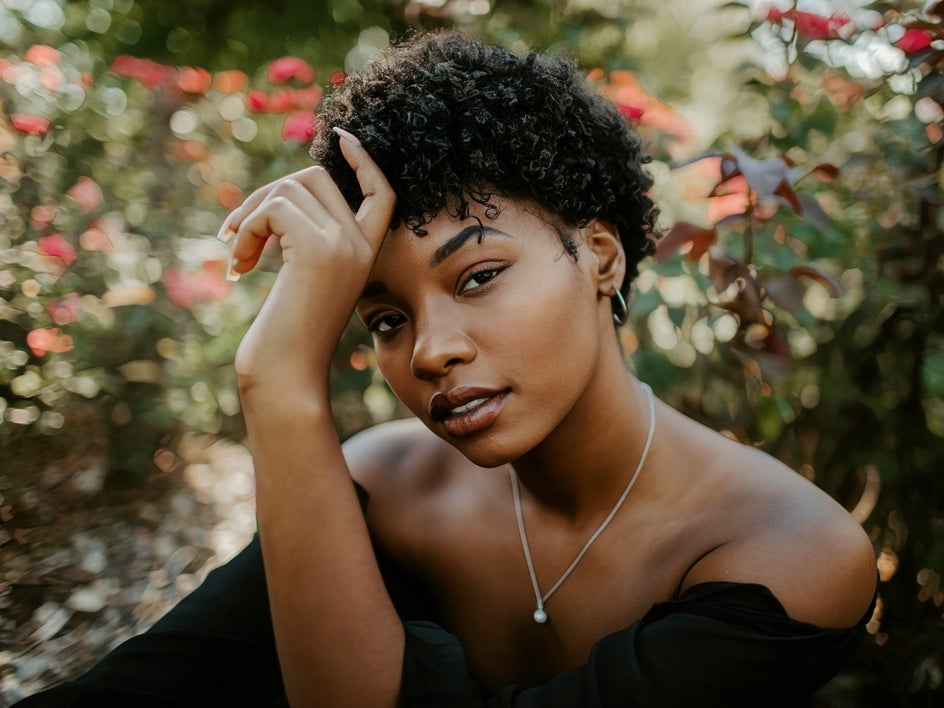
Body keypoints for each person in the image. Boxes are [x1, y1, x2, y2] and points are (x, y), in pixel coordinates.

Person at [17, 30, 877, 707]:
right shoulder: (381, 487)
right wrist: (273, 377)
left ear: (601, 257)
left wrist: (278, 390)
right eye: (386, 318)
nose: (430, 351)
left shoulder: (787, 557)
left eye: (479, 276)